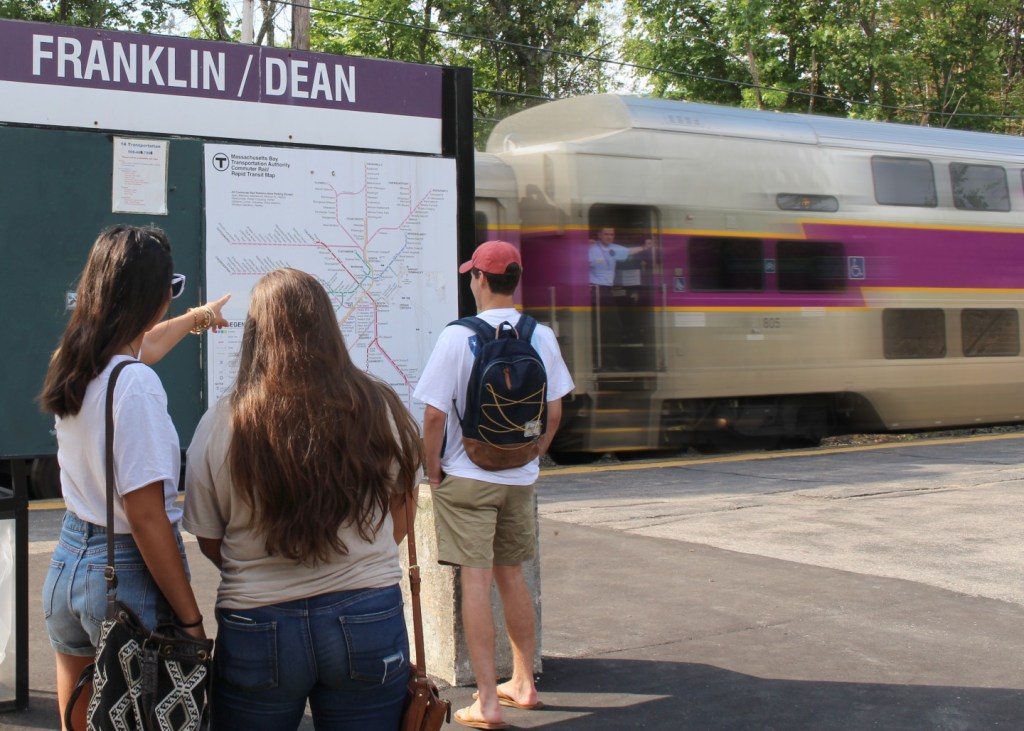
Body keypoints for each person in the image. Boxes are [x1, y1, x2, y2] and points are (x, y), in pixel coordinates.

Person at [183, 267, 423, 731]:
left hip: (257, 620)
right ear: (328, 326)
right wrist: (359, 553)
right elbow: (403, 506)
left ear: (255, 335)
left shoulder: (222, 422)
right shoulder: (380, 406)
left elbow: (210, 538)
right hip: (368, 611)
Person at [38, 224, 226, 731]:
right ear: (151, 296)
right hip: (124, 573)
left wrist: (198, 317)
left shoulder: (75, 362)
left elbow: (147, 345)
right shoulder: (135, 385)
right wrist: (191, 620)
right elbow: (145, 518)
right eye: (172, 288)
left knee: (79, 720)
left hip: (69, 564)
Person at [414, 240, 575, 730]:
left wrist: (432, 470)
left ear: (480, 279)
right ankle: (523, 683)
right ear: (516, 281)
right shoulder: (540, 334)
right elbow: (554, 410)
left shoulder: (457, 337)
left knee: (476, 582)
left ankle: (487, 701)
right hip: (518, 477)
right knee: (512, 576)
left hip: (467, 477)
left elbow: (434, 416)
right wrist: (534, 453)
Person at [588, 226, 653, 371]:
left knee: (612, 327)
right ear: (599, 235)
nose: (609, 237)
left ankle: (608, 363)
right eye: (606, 234)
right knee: (608, 327)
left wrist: (644, 247)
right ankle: (605, 363)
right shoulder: (591, 249)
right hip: (596, 290)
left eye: (611, 234)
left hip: (606, 291)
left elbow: (628, 251)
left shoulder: (614, 249)